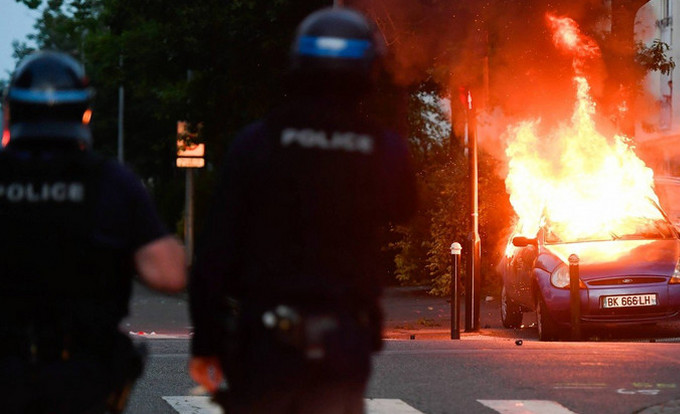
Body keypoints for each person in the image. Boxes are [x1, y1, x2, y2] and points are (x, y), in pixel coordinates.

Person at [189, 6, 417, 414]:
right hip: (342, 339)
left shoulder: (257, 142)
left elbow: (214, 253)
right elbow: (405, 207)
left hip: (266, 338)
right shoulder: (382, 149)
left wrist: (206, 343)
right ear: (369, 70)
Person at [0, 51, 187, 413]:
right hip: (83, 377)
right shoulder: (111, 182)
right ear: (84, 114)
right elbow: (168, 273)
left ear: (12, 112)